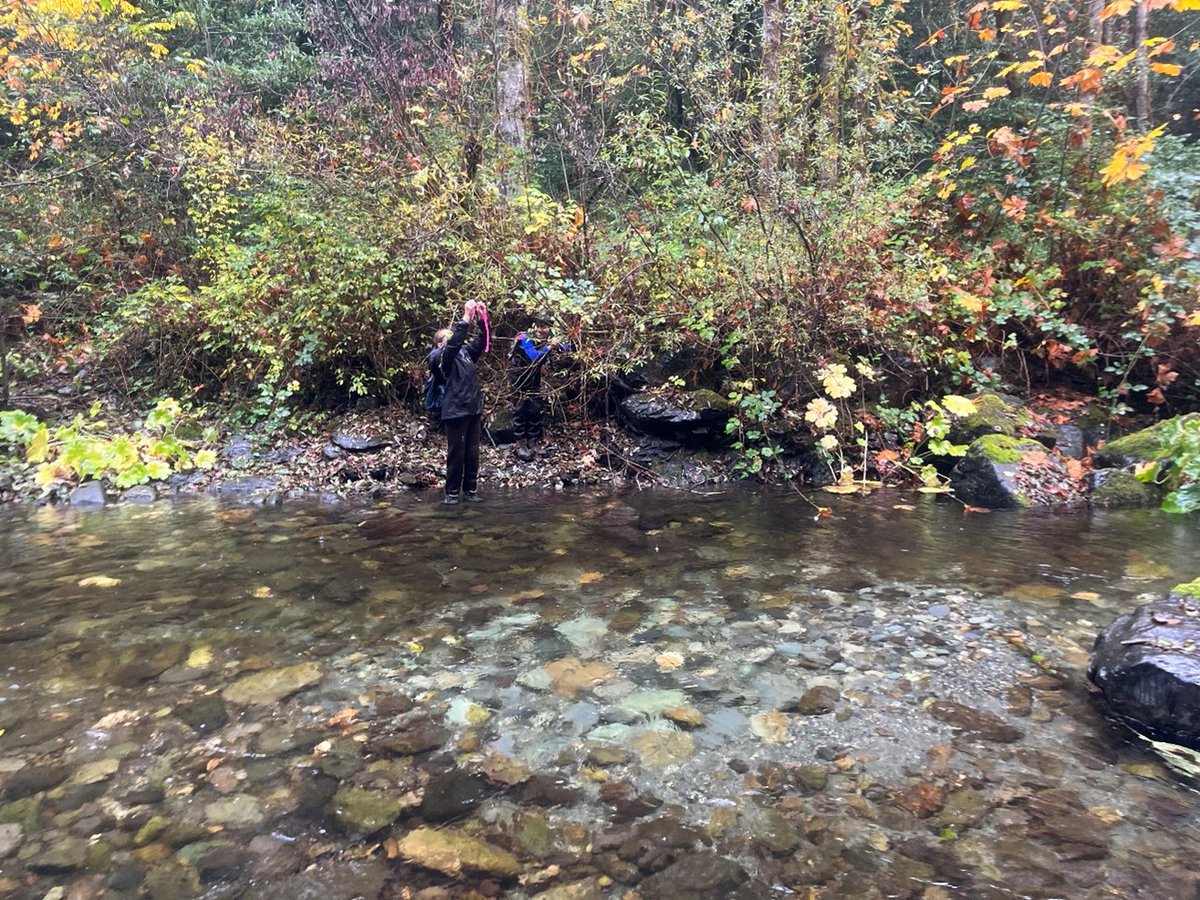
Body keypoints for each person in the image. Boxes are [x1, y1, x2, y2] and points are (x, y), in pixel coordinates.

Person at [428, 300, 488, 503]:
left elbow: (482, 342)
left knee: (472, 453)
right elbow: (452, 346)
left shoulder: (465, 353)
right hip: (455, 410)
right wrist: (465, 318)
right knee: (457, 453)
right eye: (448, 336)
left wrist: (481, 319)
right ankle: (452, 493)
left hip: (473, 408)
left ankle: (470, 491)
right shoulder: (438, 357)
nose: (453, 338)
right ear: (439, 343)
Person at [508, 309, 570, 460]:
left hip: (535, 377)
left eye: (545, 327)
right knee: (520, 409)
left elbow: (567, 348)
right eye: (538, 326)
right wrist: (549, 347)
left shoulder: (550, 338)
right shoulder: (524, 337)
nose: (541, 330)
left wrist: (570, 341)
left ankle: (534, 441)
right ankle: (521, 443)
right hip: (519, 376)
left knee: (535, 407)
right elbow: (533, 356)